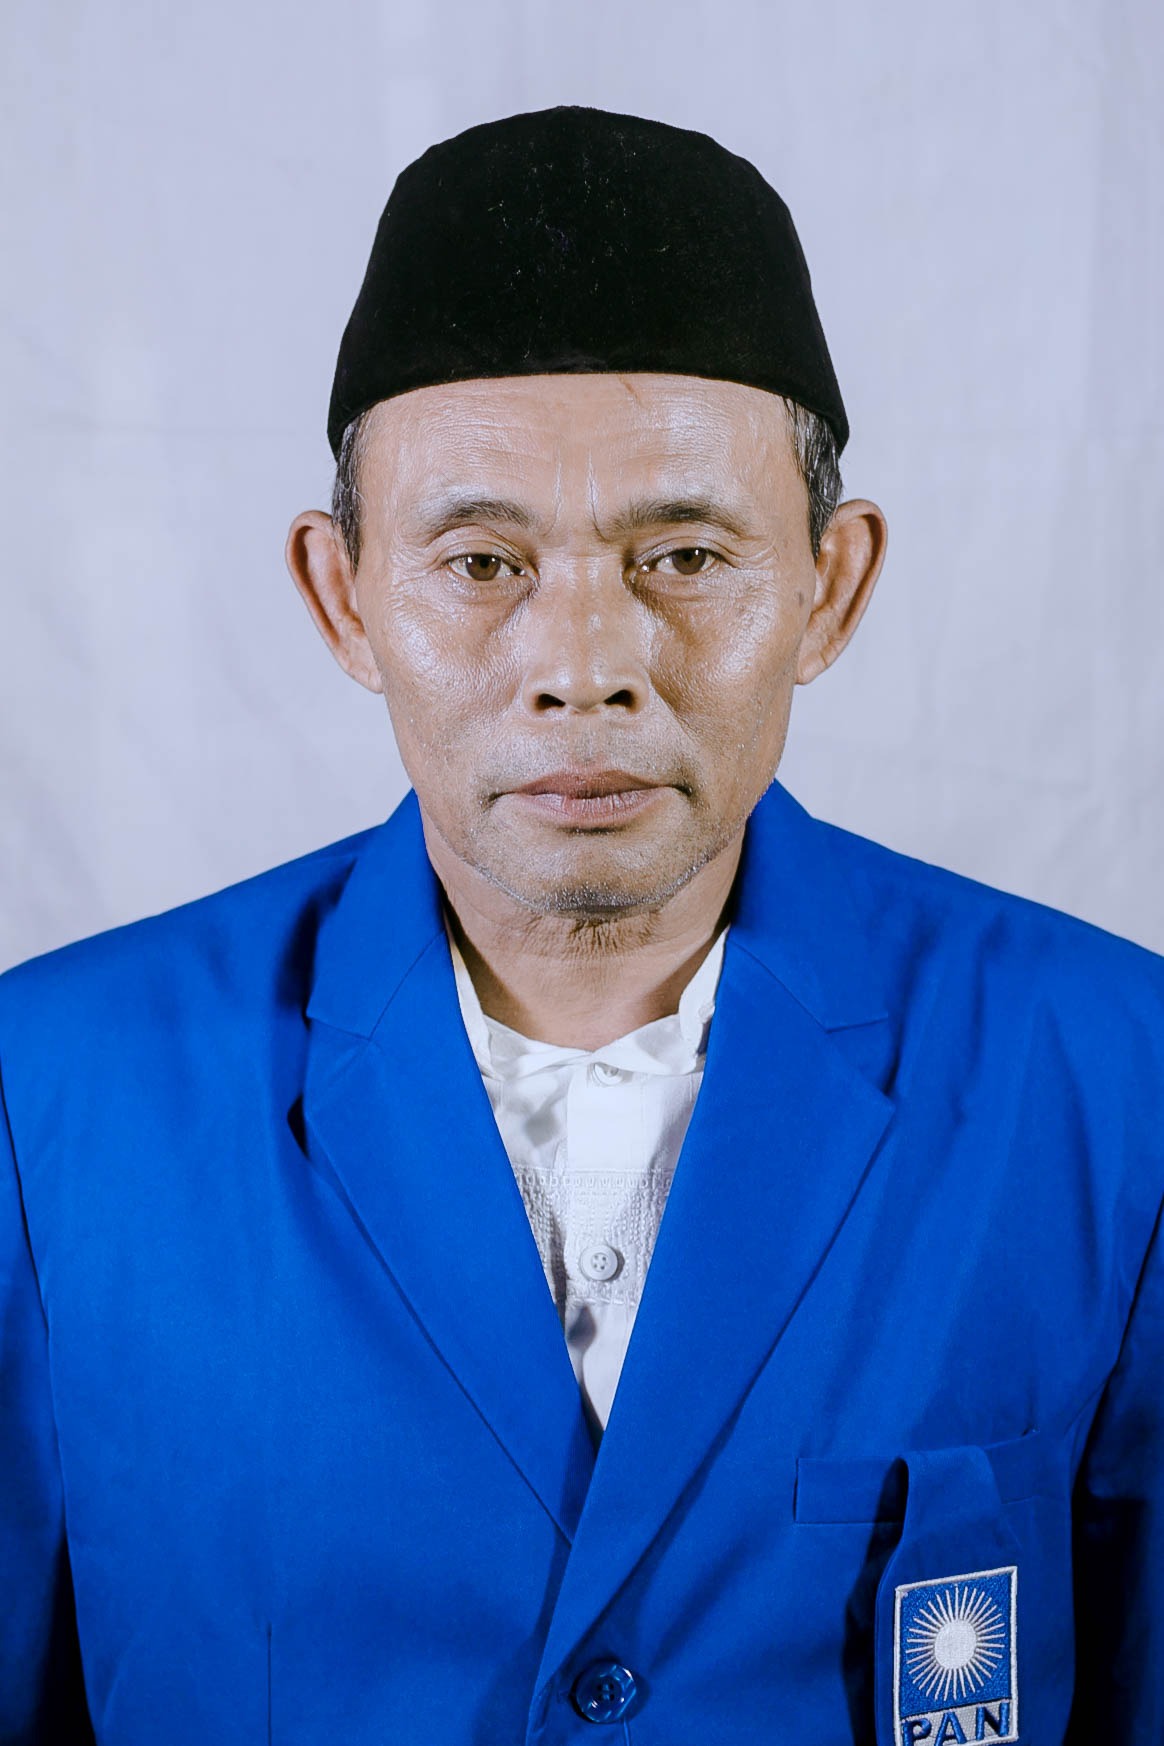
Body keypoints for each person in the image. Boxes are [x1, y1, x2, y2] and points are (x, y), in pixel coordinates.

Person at [0, 105, 1160, 1746]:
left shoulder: (1115, 1083)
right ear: (343, 595)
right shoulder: (50, 1100)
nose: (582, 664)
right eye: (481, 562)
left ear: (830, 585)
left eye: (682, 553)